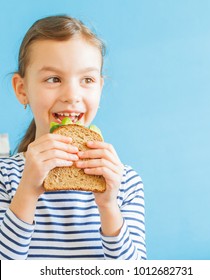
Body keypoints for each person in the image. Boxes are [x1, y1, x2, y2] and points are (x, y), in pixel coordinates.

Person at [0, 15, 146, 260]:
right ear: (22, 90)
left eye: (87, 80)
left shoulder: (124, 182)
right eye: (53, 79)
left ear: (99, 87)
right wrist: (27, 191)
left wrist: (109, 206)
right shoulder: (5, 177)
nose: (71, 95)